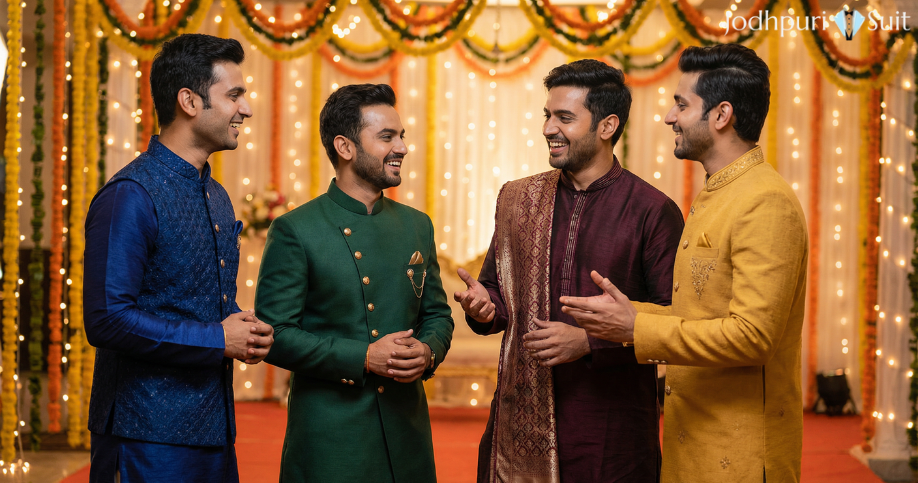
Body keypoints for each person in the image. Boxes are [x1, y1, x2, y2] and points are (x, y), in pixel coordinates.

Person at [561, 44, 808, 482]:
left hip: (739, 458)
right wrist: (626, 314)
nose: (669, 117)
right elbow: (700, 316)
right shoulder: (720, 192)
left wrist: (636, 329)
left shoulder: (765, 201)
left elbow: (753, 337)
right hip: (693, 445)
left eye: (681, 104)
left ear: (721, 115)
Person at [455, 59, 684, 482]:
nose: (548, 128)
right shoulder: (519, 199)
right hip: (520, 425)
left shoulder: (652, 211)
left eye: (564, 117)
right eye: (547, 115)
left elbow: (674, 325)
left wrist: (588, 342)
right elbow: (498, 295)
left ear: (607, 125)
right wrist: (484, 307)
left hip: (610, 432)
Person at [84, 34, 274, 482]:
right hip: (144, 433)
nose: (246, 109)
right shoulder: (131, 195)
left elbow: (193, 300)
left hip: (214, 429)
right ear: (189, 101)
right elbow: (107, 320)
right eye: (234, 95)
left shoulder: (217, 195)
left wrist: (243, 329)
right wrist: (218, 338)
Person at [255, 83, 454, 482]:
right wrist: (363, 357)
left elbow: (437, 314)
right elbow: (274, 335)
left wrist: (428, 351)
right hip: (332, 442)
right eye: (387, 137)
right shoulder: (296, 229)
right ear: (345, 147)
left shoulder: (417, 225)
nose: (402, 147)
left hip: (407, 436)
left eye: (401, 136)